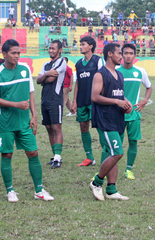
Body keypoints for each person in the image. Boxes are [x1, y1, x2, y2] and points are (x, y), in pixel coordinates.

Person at [0, 39, 54, 202]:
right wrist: (16, 104)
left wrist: (34, 116)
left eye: (19, 53)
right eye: (13, 53)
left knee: (33, 152)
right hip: (5, 123)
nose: (17, 56)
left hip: (24, 122)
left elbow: (31, 94)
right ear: (4, 54)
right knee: (7, 155)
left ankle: (39, 190)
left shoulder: (25, 69)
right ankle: (10, 190)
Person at [89, 43, 132, 201]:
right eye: (119, 53)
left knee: (112, 153)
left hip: (118, 119)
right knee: (117, 153)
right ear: (109, 54)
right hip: (105, 120)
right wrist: (117, 102)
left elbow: (119, 96)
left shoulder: (119, 75)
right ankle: (96, 182)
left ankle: (112, 189)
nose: (121, 56)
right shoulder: (100, 75)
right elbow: (95, 97)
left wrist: (126, 104)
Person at [116, 43, 152, 180]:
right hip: (117, 113)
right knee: (115, 143)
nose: (128, 56)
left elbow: (149, 87)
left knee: (133, 142)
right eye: (125, 53)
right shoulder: (116, 71)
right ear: (121, 55)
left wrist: (144, 101)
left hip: (134, 114)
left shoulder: (140, 72)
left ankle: (128, 169)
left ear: (135, 56)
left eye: (131, 53)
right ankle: (111, 167)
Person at [72, 36, 104, 167]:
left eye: (83, 44)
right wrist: (74, 101)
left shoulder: (98, 61)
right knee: (83, 127)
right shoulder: (79, 64)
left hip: (94, 102)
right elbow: (78, 83)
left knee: (100, 127)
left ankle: (106, 155)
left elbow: (103, 79)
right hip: (81, 101)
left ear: (91, 46)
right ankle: (89, 157)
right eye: (80, 44)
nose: (81, 46)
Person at [37, 40, 67, 169]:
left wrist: (45, 76)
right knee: (48, 127)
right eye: (49, 48)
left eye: (53, 48)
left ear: (60, 50)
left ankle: (58, 157)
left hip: (55, 99)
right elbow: (39, 80)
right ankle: (55, 155)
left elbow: (50, 79)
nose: (51, 50)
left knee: (56, 128)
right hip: (45, 99)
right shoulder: (46, 64)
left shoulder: (61, 62)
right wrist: (47, 74)